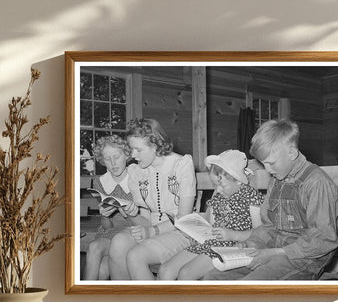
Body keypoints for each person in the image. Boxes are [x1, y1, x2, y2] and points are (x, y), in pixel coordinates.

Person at [204, 119, 338, 281]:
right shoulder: (276, 181)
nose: (267, 169)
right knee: (213, 278)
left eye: (271, 163)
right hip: (273, 249)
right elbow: (268, 227)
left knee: (247, 288)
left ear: (292, 153)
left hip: (304, 260)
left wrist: (274, 253)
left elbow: (323, 239)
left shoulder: (316, 183)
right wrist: (250, 243)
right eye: (263, 164)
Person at [108, 118, 196, 280]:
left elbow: (184, 218)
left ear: (155, 146)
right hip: (152, 230)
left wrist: (152, 231)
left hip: (181, 232)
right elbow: (145, 221)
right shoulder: (137, 171)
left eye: (138, 150)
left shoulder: (181, 165)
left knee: (135, 255)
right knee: (117, 243)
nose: (133, 156)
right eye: (131, 149)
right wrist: (130, 212)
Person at [159, 150, 264, 281]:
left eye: (222, 185)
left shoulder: (250, 197)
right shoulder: (218, 197)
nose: (218, 190)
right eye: (215, 185)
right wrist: (197, 235)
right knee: (165, 270)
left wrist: (232, 234)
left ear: (238, 180)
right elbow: (211, 226)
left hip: (233, 247)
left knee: (186, 274)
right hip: (211, 243)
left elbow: (260, 233)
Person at [83, 135, 149, 280]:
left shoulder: (137, 177)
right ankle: (83, 295)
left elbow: (143, 222)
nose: (113, 163)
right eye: (107, 159)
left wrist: (128, 213)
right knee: (93, 247)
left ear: (126, 155)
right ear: (102, 161)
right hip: (109, 233)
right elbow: (107, 227)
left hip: (131, 232)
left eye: (117, 156)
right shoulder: (102, 182)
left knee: (101, 270)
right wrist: (104, 215)